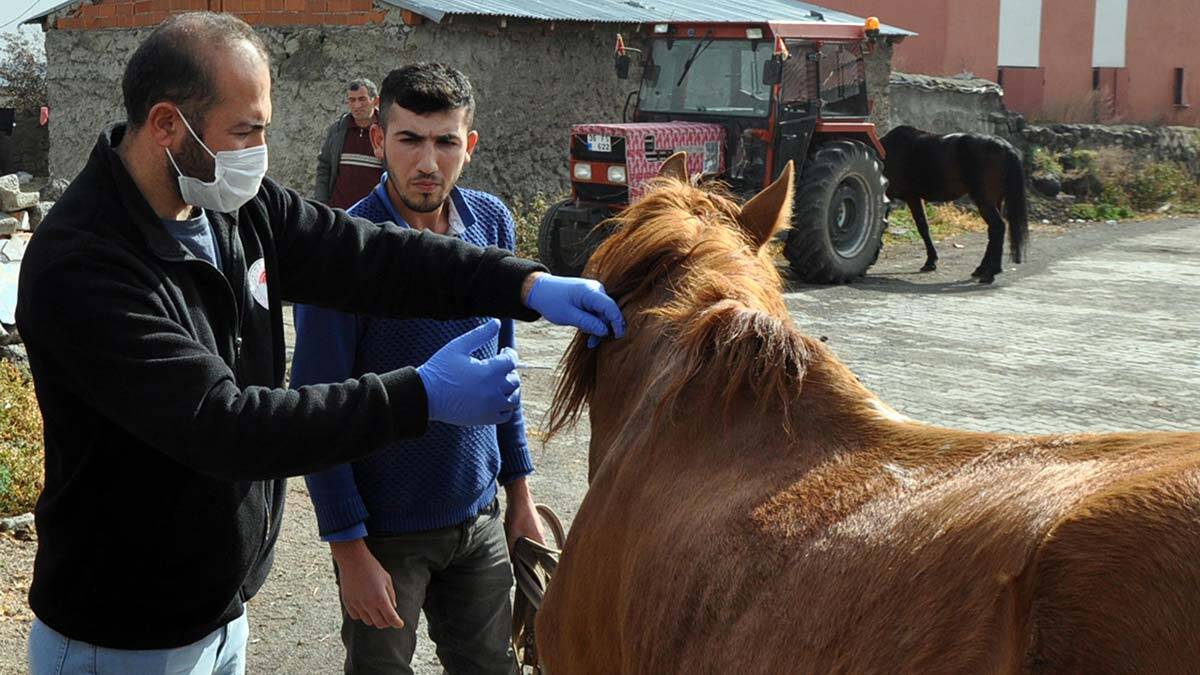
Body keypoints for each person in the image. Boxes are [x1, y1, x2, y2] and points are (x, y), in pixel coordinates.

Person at [16, 12, 623, 675]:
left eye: (265, 127)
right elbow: (227, 425)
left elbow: (368, 254)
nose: (259, 149)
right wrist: (419, 394)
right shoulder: (87, 265)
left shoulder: (231, 208)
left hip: (217, 612)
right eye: (244, 130)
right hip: (122, 637)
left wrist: (524, 285)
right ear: (167, 125)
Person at [293, 62, 543, 675]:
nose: (428, 162)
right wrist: (349, 550)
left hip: (479, 520)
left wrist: (520, 497)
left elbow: (502, 373)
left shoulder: (490, 223)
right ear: (379, 140)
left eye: (445, 141)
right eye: (409, 140)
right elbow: (317, 409)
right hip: (386, 535)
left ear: (470, 146)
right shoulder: (342, 248)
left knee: (490, 666)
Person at [315, 78, 384, 208]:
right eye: (352, 100)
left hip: (374, 216)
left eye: (362, 99)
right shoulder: (338, 130)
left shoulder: (387, 132)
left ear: (376, 101)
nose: (357, 105)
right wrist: (321, 205)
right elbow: (324, 167)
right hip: (340, 215)